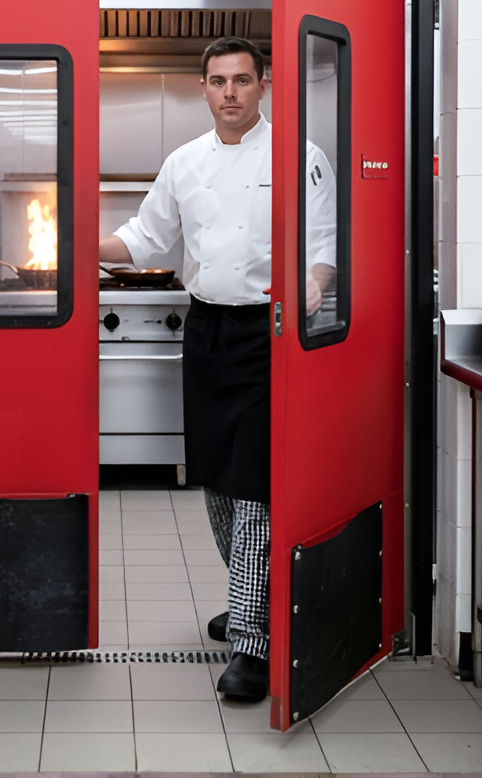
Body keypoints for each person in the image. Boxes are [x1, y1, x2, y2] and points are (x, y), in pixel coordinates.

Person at [98, 36, 337, 701]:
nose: (229, 92)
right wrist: (76, 241)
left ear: (264, 86)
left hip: (270, 333)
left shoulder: (299, 158)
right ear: (202, 89)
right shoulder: (183, 163)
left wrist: (314, 284)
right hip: (207, 331)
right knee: (214, 481)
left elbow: (322, 248)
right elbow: (144, 239)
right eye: (217, 81)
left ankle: (253, 645)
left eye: (241, 80)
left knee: (255, 486)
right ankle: (253, 596)